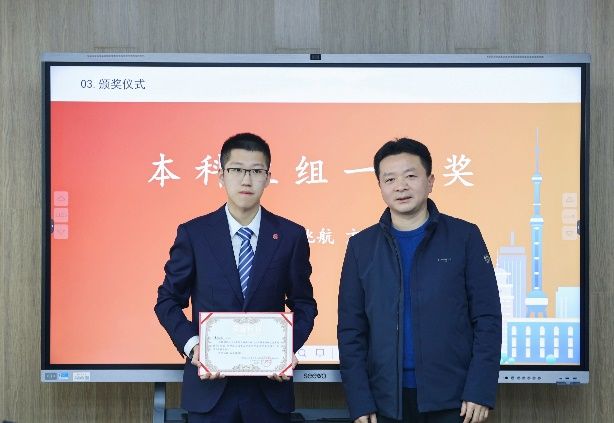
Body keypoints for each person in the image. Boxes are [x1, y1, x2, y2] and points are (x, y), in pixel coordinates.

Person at [155, 132, 317, 423]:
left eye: (256, 171)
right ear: (221, 176)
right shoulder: (194, 234)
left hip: (269, 392)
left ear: (268, 178)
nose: (246, 180)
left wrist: (285, 349)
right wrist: (194, 346)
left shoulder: (290, 236)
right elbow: (167, 300)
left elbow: (304, 304)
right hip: (210, 392)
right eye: (237, 170)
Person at [337, 138, 501, 423]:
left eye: (411, 176)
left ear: (430, 181)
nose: (400, 186)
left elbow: (487, 319)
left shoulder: (464, 237)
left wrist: (480, 389)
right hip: (384, 402)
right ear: (380, 187)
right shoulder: (361, 247)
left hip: (454, 400)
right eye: (390, 179)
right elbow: (351, 330)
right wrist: (359, 400)